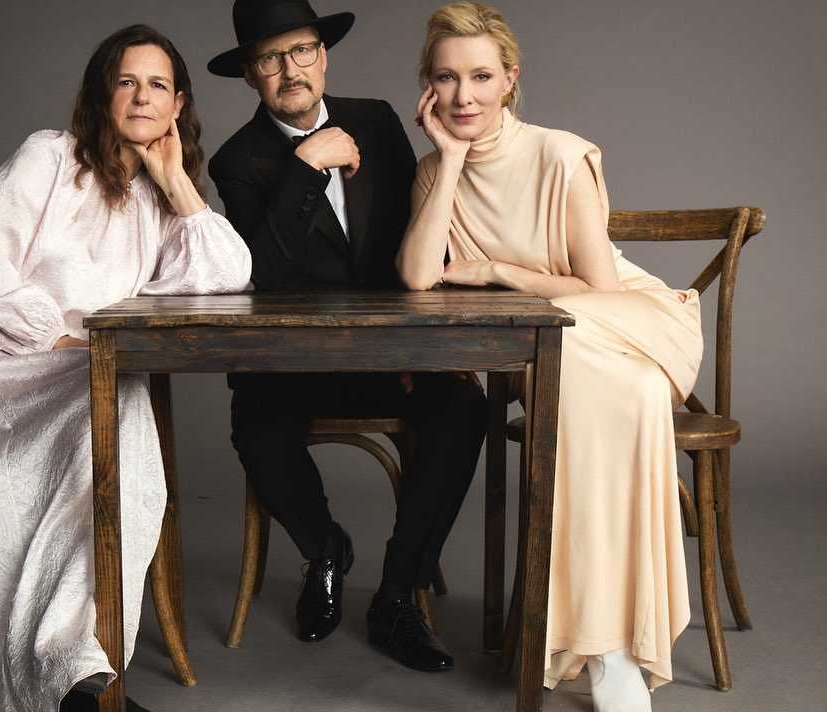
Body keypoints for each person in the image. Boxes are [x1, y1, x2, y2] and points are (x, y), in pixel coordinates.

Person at [0, 24, 251, 712]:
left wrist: (175, 179)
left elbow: (230, 274)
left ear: (179, 104)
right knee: (116, 398)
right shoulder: (49, 157)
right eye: (126, 81)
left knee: (114, 404)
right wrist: (56, 342)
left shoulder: (155, 196)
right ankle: (76, 681)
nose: (141, 97)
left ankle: (76, 675)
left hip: (78, 383)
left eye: (158, 86)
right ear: (102, 93)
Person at [399, 3, 703, 710]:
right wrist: (447, 162)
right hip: (547, 340)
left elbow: (598, 288)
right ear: (428, 87)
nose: (463, 96)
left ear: (510, 78)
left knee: (603, 381)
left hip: (622, 318)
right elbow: (418, 276)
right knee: (610, 390)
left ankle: (613, 652)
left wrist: (500, 270)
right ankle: (614, 644)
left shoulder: (562, 154)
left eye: (480, 76)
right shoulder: (430, 170)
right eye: (446, 79)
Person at [206, 0, 489, 673]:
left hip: (391, 354)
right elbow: (264, 277)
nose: (290, 69)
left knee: (464, 408)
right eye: (270, 59)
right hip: (289, 363)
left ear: (323, 56)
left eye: (301, 50)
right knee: (257, 427)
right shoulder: (236, 161)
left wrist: (419, 349)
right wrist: (307, 164)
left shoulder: (378, 120)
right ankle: (325, 549)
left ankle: (397, 596)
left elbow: (409, 240)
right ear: (251, 75)